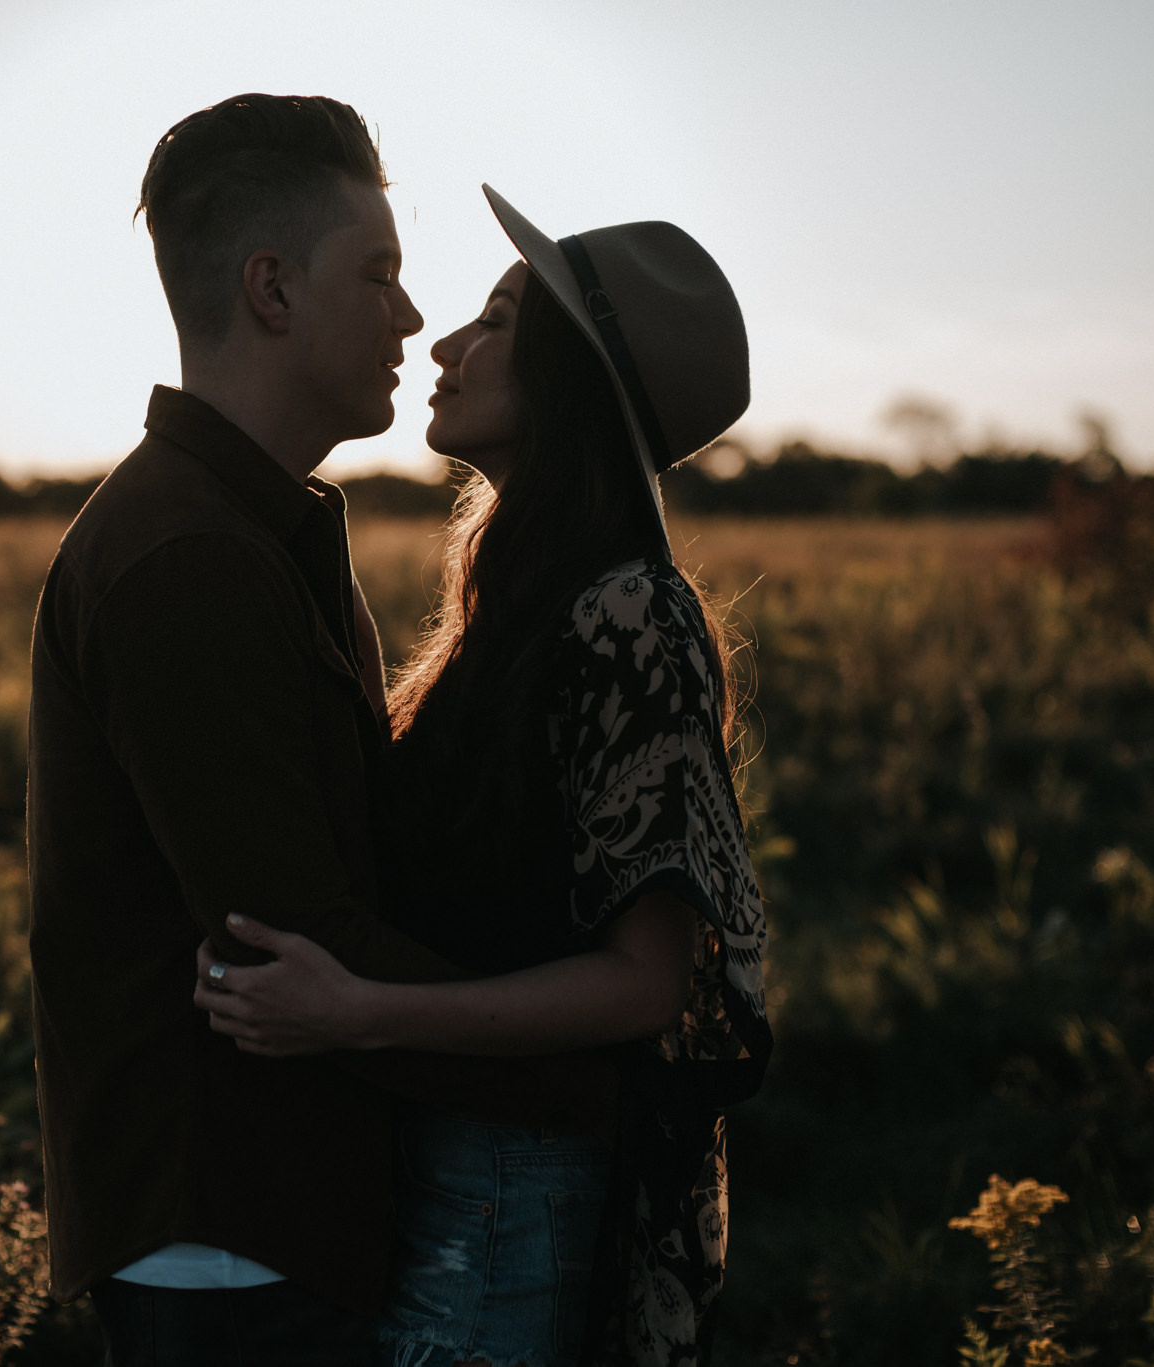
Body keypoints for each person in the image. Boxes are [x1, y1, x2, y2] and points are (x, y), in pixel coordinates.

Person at [25, 98, 618, 1367]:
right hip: (234, 1234)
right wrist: (592, 1068)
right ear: (271, 289)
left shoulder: (257, 533)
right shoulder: (184, 558)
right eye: (382, 274)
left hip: (284, 1216)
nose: (411, 317)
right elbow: (287, 944)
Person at [193, 187, 773, 1367]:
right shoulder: (517, 609)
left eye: (497, 318)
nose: (444, 343)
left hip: (514, 1195)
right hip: (452, 1167)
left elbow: (643, 984)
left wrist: (358, 1012)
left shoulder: (628, 614)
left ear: (569, 381)